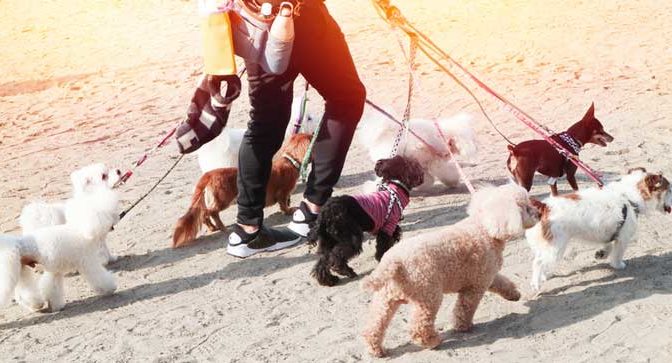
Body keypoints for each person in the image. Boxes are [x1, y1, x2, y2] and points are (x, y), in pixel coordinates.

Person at [226, 0, 366, 258]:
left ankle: (247, 230)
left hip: (257, 20)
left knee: (264, 124)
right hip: (301, 18)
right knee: (347, 99)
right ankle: (312, 209)